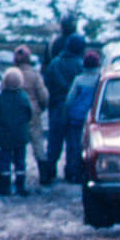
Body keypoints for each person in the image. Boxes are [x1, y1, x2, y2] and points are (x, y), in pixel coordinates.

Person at [43, 33, 86, 182]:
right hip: (74, 110)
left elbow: (46, 83)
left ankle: (49, 171)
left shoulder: (54, 63)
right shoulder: (80, 66)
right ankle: (71, 172)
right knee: (73, 143)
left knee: (54, 141)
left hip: (56, 107)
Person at [58, 49, 102, 185]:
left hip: (76, 117)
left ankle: (73, 173)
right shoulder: (99, 80)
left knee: (74, 145)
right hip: (93, 118)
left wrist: (66, 115)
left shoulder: (79, 80)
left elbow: (69, 100)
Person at [12, 46, 52, 186]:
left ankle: (18, 178)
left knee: (17, 145)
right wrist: (41, 108)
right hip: (33, 112)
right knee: (38, 144)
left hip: (16, 114)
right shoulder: (34, 75)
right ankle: (44, 176)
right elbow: (44, 95)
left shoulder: (11, 75)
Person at [0, 69, 34, 195]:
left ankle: (5, 186)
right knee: (20, 160)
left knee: (5, 160)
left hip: (5, 135)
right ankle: (20, 186)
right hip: (21, 135)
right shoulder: (23, 97)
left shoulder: (1, 98)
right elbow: (29, 114)